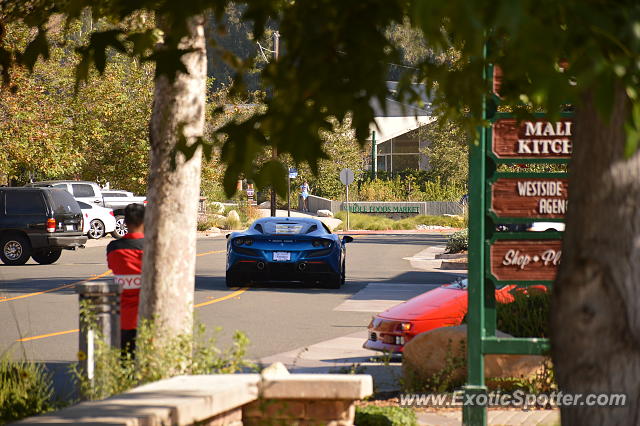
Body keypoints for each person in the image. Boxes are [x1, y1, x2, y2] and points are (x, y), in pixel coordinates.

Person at [106, 203, 145, 357]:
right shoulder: (152, 246)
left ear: (125, 223)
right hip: (147, 315)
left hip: (121, 316)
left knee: (124, 359)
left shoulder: (114, 248)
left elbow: (112, 265)